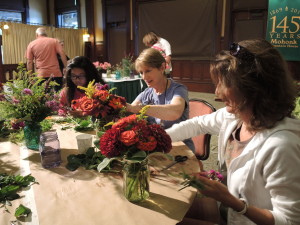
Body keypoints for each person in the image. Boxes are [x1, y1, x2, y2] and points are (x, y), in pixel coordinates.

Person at [166, 39, 300, 225]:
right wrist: (159, 138)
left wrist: (232, 201)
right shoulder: (236, 117)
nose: (217, 93)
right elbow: (196, 125)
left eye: (223, 84)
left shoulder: (281, 146)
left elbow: (289, 220)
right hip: (226, 213)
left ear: (252, 87)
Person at [126, 48, 194, 151]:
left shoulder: (178, 89)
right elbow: (130, 110)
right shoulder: (147, 93)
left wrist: (140, 108)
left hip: (180, 147)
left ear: (162, 67)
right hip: (156, 147)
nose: (144, 77)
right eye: (141, 72)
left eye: (148, 70)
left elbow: (174, 112)